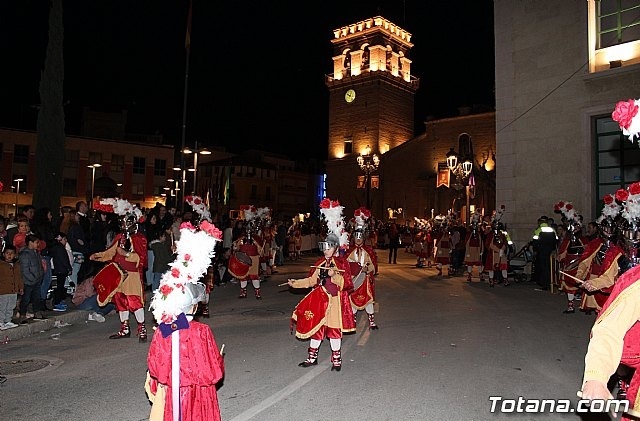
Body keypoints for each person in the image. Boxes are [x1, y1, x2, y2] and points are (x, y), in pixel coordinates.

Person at [146, 213, 225, 421]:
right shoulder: (201, 331)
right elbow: (214, 372)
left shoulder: (164, 329)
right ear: (195, 306)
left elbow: (155, 367)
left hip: (173, 394)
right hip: (198, 396)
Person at [288, 233, 355, 371]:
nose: (325, 250)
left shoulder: (342, 263)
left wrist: (334, 275)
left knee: (334, 331)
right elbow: (311, 281)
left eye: (328, 248)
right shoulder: (320, 264)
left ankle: (337, 359)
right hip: (320, 301)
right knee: (316, 329)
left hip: (335, 302)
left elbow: (347, 284)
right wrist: (296, 283)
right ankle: (312, 358)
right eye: (324, 247)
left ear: (335, 248)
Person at [90, 199, 148, 342]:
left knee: (134, 301)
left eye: (127, 222)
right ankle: (125, 328)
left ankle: (142, 328)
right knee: (120, 300)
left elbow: (141, 259)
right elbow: (110, 253)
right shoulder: (119, 237)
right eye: (122, 222)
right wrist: (97, 256)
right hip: (118, 275)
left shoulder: (139, 238)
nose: (124, 225)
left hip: (132, 276)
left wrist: (126, 254)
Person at [346, 213, 379, 330]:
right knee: (353, 300)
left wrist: (367, 268)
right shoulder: (349, 251)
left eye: (360, 237)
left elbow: (373, 265)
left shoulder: (368, 251)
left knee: (368, 300)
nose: (358, 239)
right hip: (354, 280)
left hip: (365, 280)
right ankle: (353, 322)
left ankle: (372, 322)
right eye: (356, 237)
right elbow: (345, 265)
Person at [18, 234, 46, 322]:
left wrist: (40, 275)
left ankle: (37, 312)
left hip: (36, 280)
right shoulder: (25, 255)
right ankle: (22, 314)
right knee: (26, 298)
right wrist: (33, 279)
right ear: (30, 243)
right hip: (28, 281)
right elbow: (24, 270)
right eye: (36, 242)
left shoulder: (35, 253)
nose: (38, 244)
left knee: (36, 298)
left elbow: (39, 266)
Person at [49, 232, 73, 312]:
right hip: (61, 270)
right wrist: (69, 268)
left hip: (58, 269)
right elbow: (64, 259)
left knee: (59, 287)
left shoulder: (55, 247)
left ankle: (58, 302)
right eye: (64, 239)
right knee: (59, 287)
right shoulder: (60, 248)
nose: (66, 241)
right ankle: (57, 303)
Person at [0, 246, 22, 330]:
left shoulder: (16, 265)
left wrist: (20, 287)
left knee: (11, 306)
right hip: (3, 290)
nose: (9, 255)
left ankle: (8, 320)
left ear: (15, 255)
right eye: (7, 253)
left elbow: (19, 277)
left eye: (12, 253)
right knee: (2, 306)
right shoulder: (1, 265)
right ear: (3, 254)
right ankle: (1, 321)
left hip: (13, 290)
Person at [464, 214, 484, 282]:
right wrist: (467, 252)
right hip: (470, 250)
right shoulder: (469, 234)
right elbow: (466, 243)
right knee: (469, 263)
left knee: (479, 263)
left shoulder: (479, 234)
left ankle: (480, 274)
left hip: (477, 249)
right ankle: (469, 275)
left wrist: (481, 250)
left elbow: (481, 242)